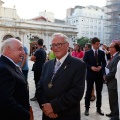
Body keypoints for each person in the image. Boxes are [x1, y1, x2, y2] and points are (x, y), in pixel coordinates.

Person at [36, 33, 86, 120]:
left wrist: (54, 107)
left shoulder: (78, 65)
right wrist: (44, 106)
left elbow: (76, 93)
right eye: (53, 45)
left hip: (67, 115)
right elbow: (40, 88)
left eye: (59, 44)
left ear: (67, 45)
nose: (55, 47)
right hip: (47, 115)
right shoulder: (47, 65)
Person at [0, 38, 31, 120]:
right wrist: (26, 114)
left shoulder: (9, 65)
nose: (23, 53)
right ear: (8, 50)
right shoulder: (3, 69)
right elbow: (5, 101)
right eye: (20, 49)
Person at [83, 37, 106, 116]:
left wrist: (101, 67)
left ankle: (98, 108)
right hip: (90, 75)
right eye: (97, 44)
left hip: (99, 75)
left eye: (99, 44)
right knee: (88, 91)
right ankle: (86, 108)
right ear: (93, 44)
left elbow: (104, 62)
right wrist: (91, 67)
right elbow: (84, 63)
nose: (98, 45)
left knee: (99, 92)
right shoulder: (88, 53)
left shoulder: (102, 52)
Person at [104, 42, 120, 120]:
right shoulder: (114, 56)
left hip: (113, 82)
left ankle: (116, 115)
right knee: (111, 99)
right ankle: (113, 112)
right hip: (110, 82)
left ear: (114, 48)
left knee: (114, 100)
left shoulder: (117, 57)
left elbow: (114, 71)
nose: (109, 48)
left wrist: (106, 77)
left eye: (110, 47)